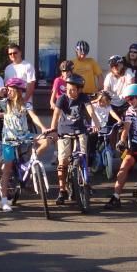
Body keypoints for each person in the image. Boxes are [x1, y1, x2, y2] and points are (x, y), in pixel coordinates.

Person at [0, 77, 48, 213]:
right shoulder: (4, 103)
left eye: (13, 90)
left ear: (19, 91)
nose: (10, 92)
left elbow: (34, 117)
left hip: (25, 135)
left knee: (46, 140)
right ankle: (4, 200)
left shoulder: (25, 104)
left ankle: (30, 165)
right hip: (9, 139)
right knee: (7, 168)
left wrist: (43, 128)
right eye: (9, 90)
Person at [48, 74, 94, 205]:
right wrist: (53, 129)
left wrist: (96, 123)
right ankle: (62, 190)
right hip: (64, 131)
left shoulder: (83, 97)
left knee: (83, 155)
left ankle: (86, 182)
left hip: (80, 130)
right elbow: (56, 114)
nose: (69, 91)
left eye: (73, 89)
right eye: (67, 88)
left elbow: (91, 111)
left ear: (79, 90)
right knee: (62, 162)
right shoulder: (62, 98)